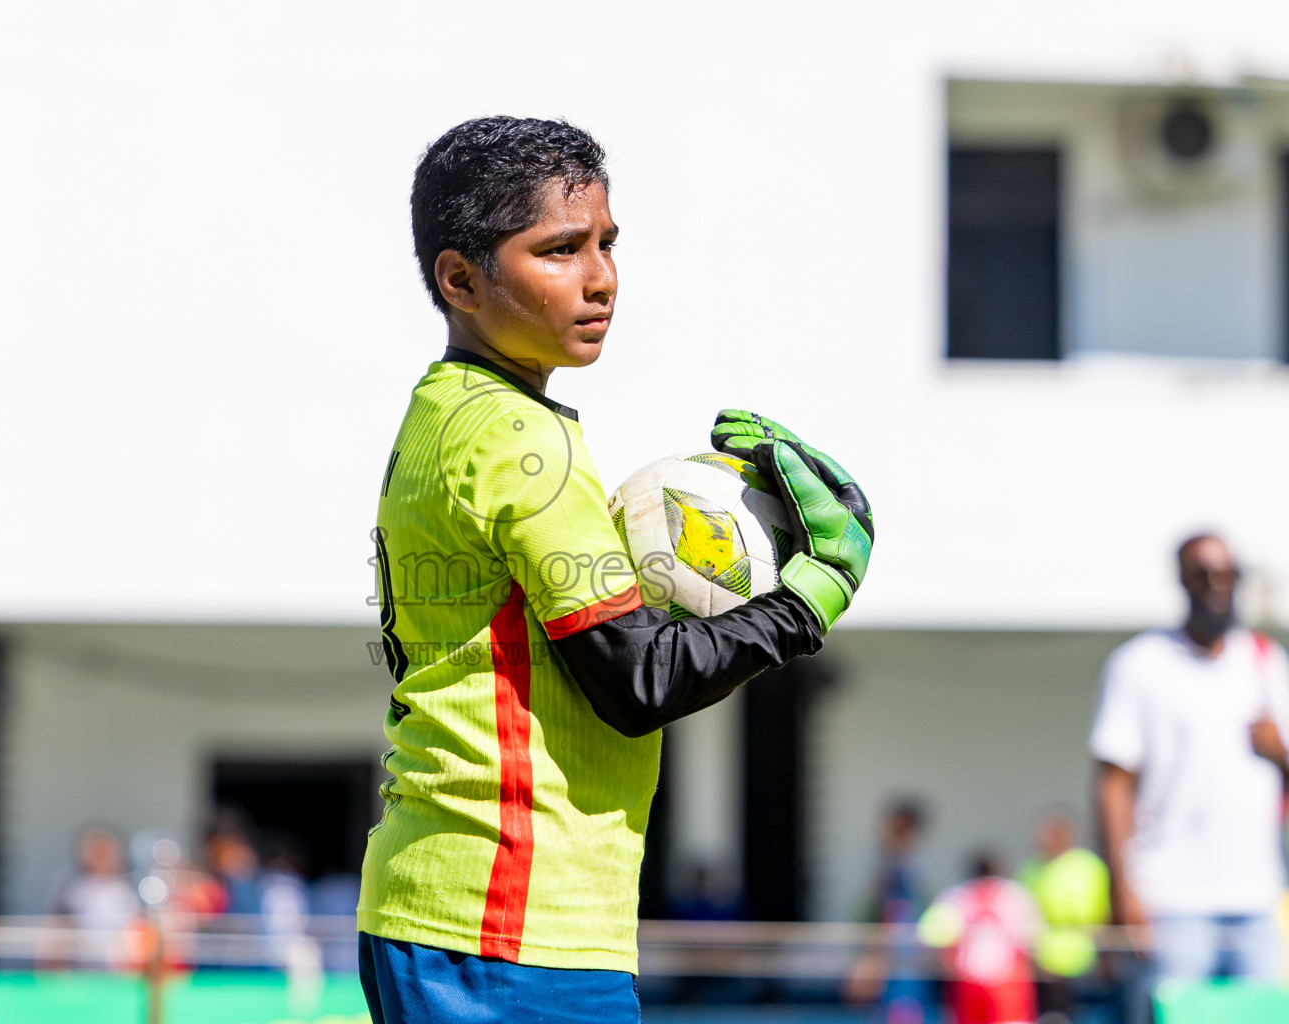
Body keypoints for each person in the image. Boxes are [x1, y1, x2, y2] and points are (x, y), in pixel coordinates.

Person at [358, 116, 875, 1024]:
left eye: (606, 242)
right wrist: (810, 594)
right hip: (507, 928)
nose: (601, 278)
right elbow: (639, 681)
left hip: (449, 907)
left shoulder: (443, 412)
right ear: (460, 280)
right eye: (559, 250)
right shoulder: (524, 441)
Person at [1091, 533, 1289, 988]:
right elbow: (1113, 785)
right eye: (1203, 576)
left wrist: (1279, 752)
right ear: (1181, 581)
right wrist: (1122, 889)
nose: (1217, 587)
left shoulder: (1266, 662)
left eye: (1227, 575)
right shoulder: (1139, 664)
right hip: (1171, 899)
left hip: (1257, 900)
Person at [919, 852, 1042, 1024]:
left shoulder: (956, 896)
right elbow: (1032, 940)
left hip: (973, 981)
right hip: (1004, 980)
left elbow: (934, 937)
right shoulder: (1015, 895)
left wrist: (953, 968)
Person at [1015, 808, 1109, 1021]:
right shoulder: (1030, 867)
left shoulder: (1087, 865)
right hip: (1037, 962)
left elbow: (1094, 915)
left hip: (1079, 961)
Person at [845, 798, 933, 1024]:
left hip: (902, 941)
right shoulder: (888, 860)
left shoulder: (908, 862)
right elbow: (877, 902)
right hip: (889, 938)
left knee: (904, 998)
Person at [47, 824, 140, 969]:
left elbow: (138, 930)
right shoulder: (72, 886)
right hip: (81, 966)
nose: (100, 856)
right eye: (95, 851)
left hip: (120, 967)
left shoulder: (128, 887)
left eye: (104, 851)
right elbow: (58, 927)